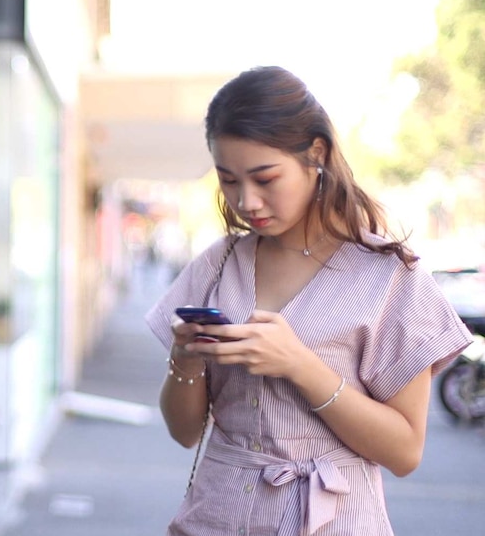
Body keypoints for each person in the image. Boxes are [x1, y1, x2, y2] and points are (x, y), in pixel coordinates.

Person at [145, 66, 472, 536]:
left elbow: (404, 452)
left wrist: (300, 364)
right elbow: (184, 432)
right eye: (229, 180)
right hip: (216, 518)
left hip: (334, 520)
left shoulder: (387, 275)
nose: (247, 201)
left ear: (315, 154)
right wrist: (185, 355)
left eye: (265, 178)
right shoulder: (218, 264)